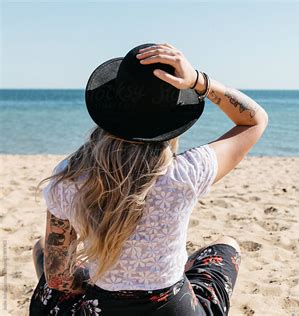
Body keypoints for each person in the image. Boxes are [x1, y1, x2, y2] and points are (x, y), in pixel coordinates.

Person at [29, 43, 268, 315]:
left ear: (110, 107)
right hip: (173, 310)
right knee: (226, 245)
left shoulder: (69, 176)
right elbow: (255, 120)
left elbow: (59, 277)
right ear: (173, 119)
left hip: (101, 308)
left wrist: (103, 283)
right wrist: (200, 82)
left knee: (43, 252)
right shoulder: (187, 172)